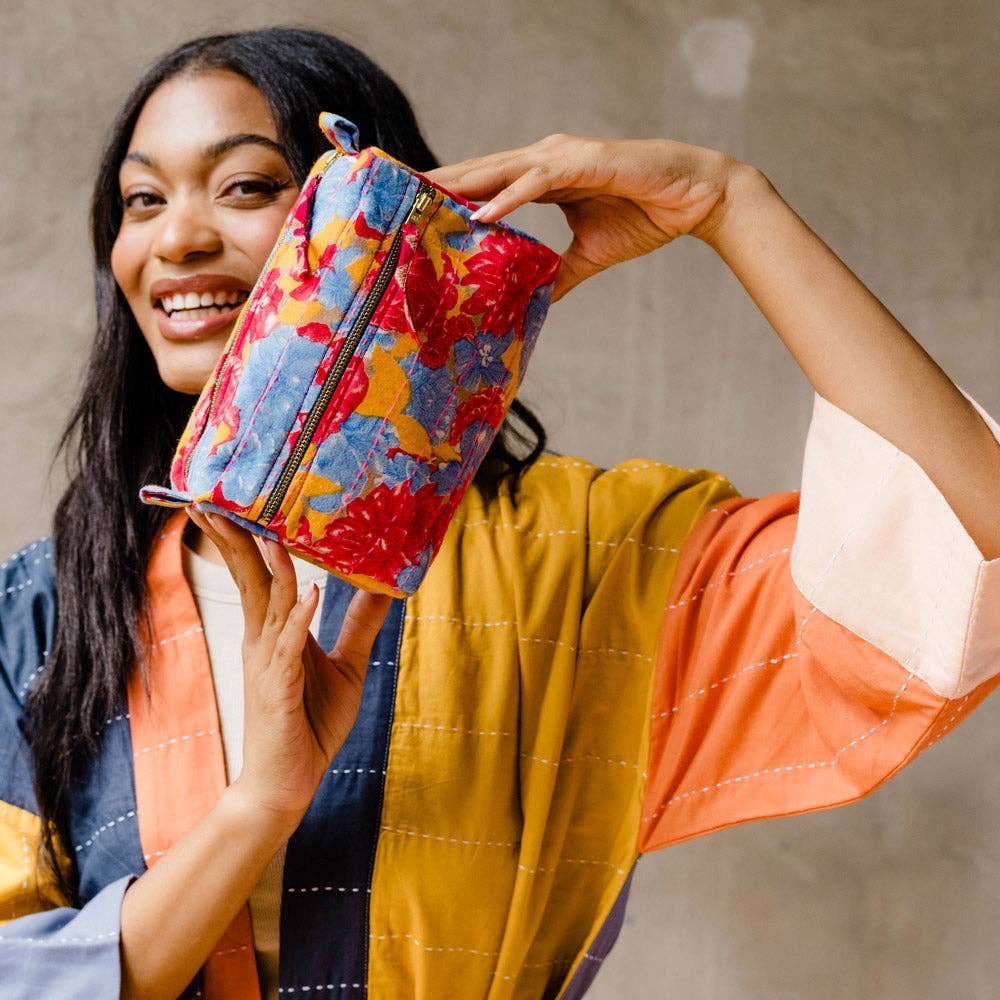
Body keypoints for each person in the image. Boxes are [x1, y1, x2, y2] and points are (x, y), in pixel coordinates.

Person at [0, 24, 997, 1000]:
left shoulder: (585, 559)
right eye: (141, 199)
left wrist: (732, 204)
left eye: (248, 185)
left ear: (381, 208)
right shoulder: (41, 618)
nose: (176, 236)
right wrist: (257, 809)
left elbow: (963, 548)